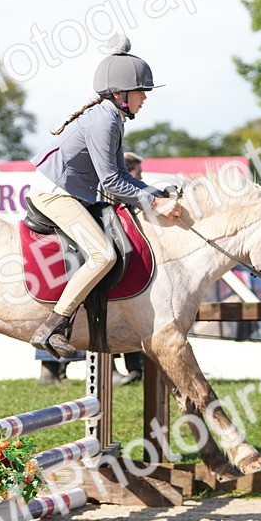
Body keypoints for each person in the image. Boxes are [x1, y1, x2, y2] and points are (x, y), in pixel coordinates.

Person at [28, 35, 183, 357]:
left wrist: (156, 192)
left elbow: (122, 175)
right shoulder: (104, 119)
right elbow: (111, 183)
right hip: (56, 193)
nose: (145, 97)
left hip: (74, 191)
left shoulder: (113, 117)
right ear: (120, 93)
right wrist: (155, 203)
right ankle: (52, 326)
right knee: (103, 255)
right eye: (141, 91)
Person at [113, 151, 147, 385]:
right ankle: (110, 368)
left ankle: (136, 367)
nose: (142, 176)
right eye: (138, 172)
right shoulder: (114, 185)